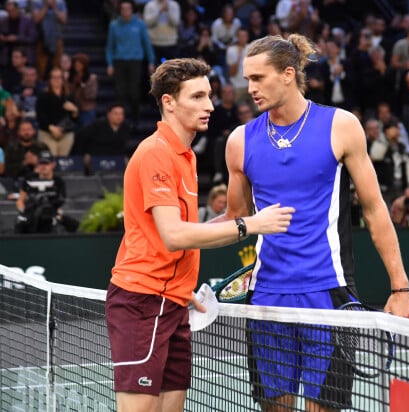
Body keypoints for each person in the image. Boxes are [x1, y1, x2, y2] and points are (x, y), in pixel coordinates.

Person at [220, 34, 409, 411]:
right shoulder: (240, 141)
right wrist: (175, 235)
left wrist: (400, 287)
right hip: (267, 298)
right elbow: (233, 219)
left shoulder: (341, 125)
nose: (250, 88)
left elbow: (375, 209)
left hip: (328, 295)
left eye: (258, 78)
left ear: (288, 74)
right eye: (247, 79)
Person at [105, 57, 294, 412]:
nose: (209, 106)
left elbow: (189, 235)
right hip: (143, 303)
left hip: (173, 302)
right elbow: (174, 236)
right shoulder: (156, 154)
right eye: (196, 97)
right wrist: (251, 225)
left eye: (209, 95)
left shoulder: (185, 157)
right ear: (169, 102)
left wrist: (181, 285)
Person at [105, 0, 156, 129]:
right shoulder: (114, 25)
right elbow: (109, 46)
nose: (126, 11)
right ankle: (121, 121)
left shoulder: (139, 24)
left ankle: (135, 119)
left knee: (134, 92)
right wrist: (110, 64)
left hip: (135, 61)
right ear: (120, 10)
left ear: (132, 10)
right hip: (120, 60)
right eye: (123, 9)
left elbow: (146, 44)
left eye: (128, 9)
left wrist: (151, 61)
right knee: (121, 94)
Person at [14, 149, 78, 233]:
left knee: (72, 224)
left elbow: (60, 203)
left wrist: (56, 213)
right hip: (31, 214)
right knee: (21, 223)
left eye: (46, 163)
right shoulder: (29, 179)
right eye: (41, 163)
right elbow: (20, 201)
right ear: (37, 164)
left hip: (51, 214)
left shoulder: (58, 182)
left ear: (53, 165)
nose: (43, 166)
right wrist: (23, 212)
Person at [76, 102, 132, 173]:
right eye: (116, 113)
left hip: (116, 156)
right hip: (97, 155)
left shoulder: (126, 127)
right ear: (108, 114)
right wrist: (85, 153)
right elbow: (82, 137)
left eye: (121, 114)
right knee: (87, 158)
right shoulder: (97, 125)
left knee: (129, 161)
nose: (119, 116)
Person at [35, 66, 78, 156]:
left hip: (66, 133)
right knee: (51, 158)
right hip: (47, 132)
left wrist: (75, 110)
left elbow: (74, 119)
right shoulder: (43, 95)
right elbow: (40, 116)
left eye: (59, 77)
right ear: (50, 80)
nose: (56, 80)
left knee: (63, 161)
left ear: (63, 79)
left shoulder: (69, 96)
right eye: (54, 77)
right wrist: (51, 127)